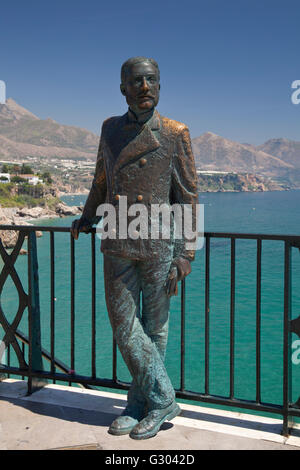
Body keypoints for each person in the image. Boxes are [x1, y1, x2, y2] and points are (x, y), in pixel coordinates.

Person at [71, 57, 198, 440]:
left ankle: (138, 402)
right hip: (117, 237)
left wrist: (186, 253)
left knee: (155, 328)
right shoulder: (110, 129)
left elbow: (189, 196)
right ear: (123, 88)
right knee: (125, 326)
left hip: (159, 243)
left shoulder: (175, 132)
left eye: (152, 80)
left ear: (160, 86)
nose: (145, 87)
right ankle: (163, 398)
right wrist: (87, 216)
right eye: (137, 81)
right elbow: (100, 181)